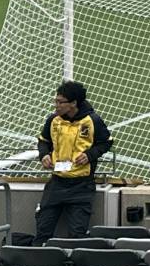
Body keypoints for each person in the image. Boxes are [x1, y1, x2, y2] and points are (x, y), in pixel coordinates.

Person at [33, 80, 107, 244]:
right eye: (56, 101)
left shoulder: (93, 120)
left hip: (82, 186)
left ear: (73, 103)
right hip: (56, 184)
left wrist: (90, 154)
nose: (56, 105)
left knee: (77, 236)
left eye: (60, 102)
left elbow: (106, 142)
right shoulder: (53, 120)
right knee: (42, 231)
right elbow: (43, 141)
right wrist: (44, 154)